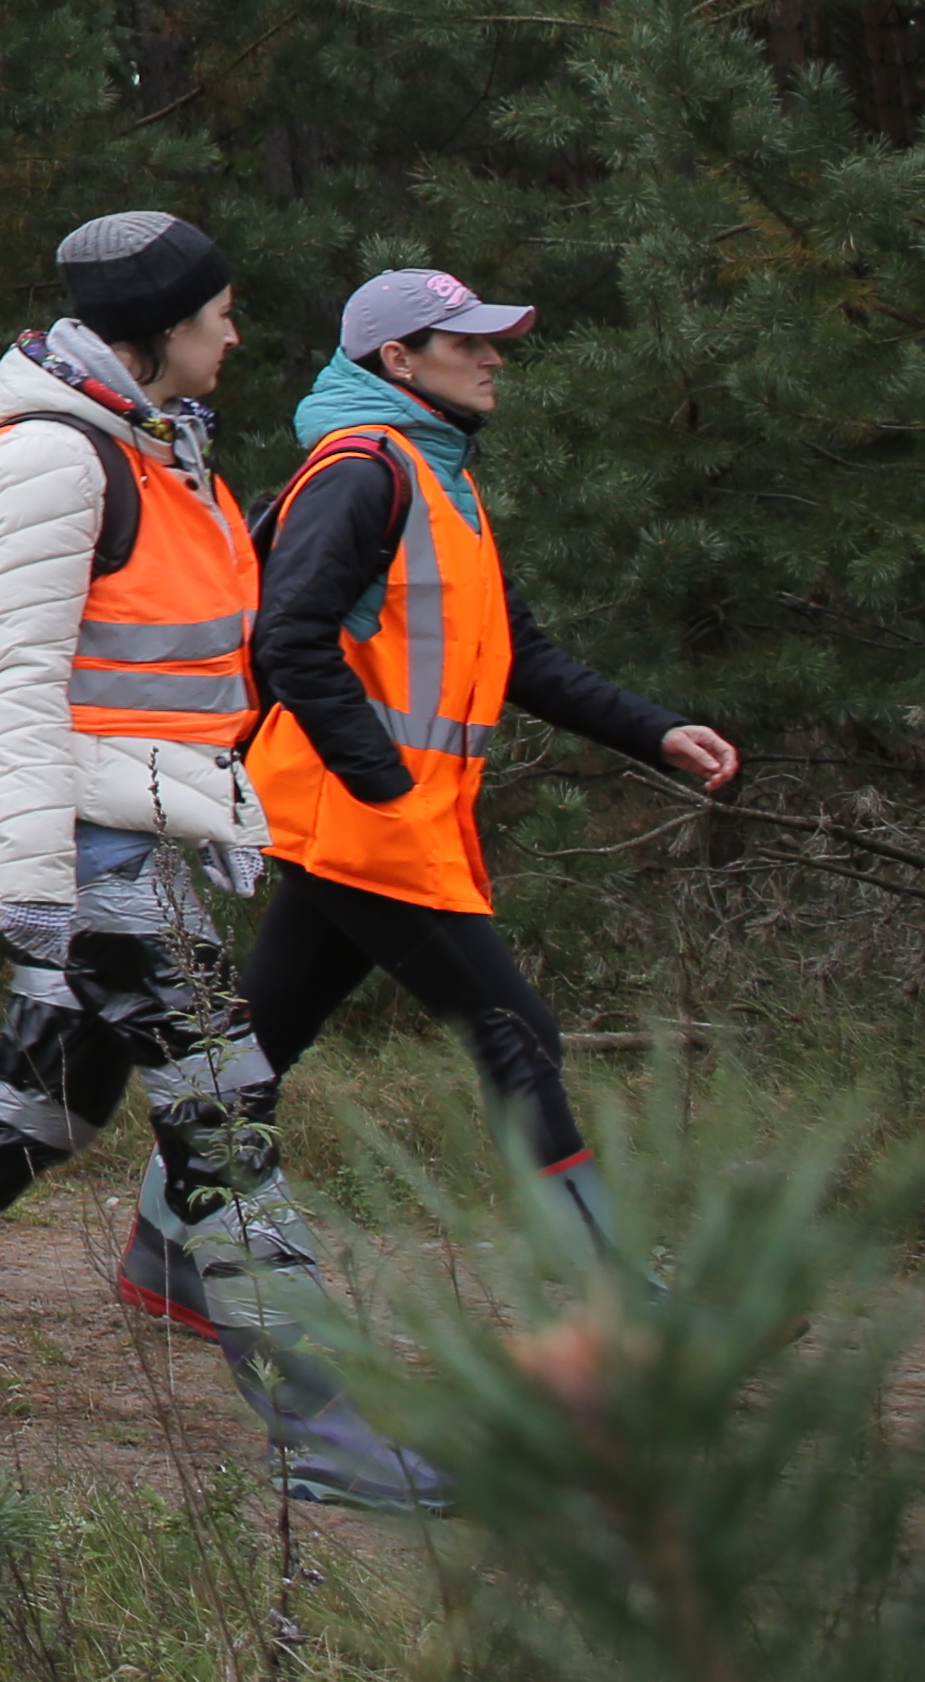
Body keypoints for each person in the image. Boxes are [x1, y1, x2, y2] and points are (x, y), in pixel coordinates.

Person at [0, 212, 428, 1508]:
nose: (236, 333)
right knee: (224, 1115)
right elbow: (15, 687)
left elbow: (168, 674)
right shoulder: (56, 461)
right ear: (161, 329)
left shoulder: (157, 447)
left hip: (138, 825)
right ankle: (328, 1431)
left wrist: (215, 815)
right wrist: (35, 888)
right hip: (78, 836)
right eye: (219, 313)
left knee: (50, 1101)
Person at [243, 269, 741, 1257]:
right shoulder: (362, 472)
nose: (493, 357)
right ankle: (618, 1300)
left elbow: (527, 658)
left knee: (253, 1053)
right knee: (517, 1032)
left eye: (491, 340)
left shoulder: (445, 479)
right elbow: (288, 641)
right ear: (399, 358)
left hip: (377, 819)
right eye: (467, 342)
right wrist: (385, 785)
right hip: (362, 818)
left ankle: (163, 1254)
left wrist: (656, 732)